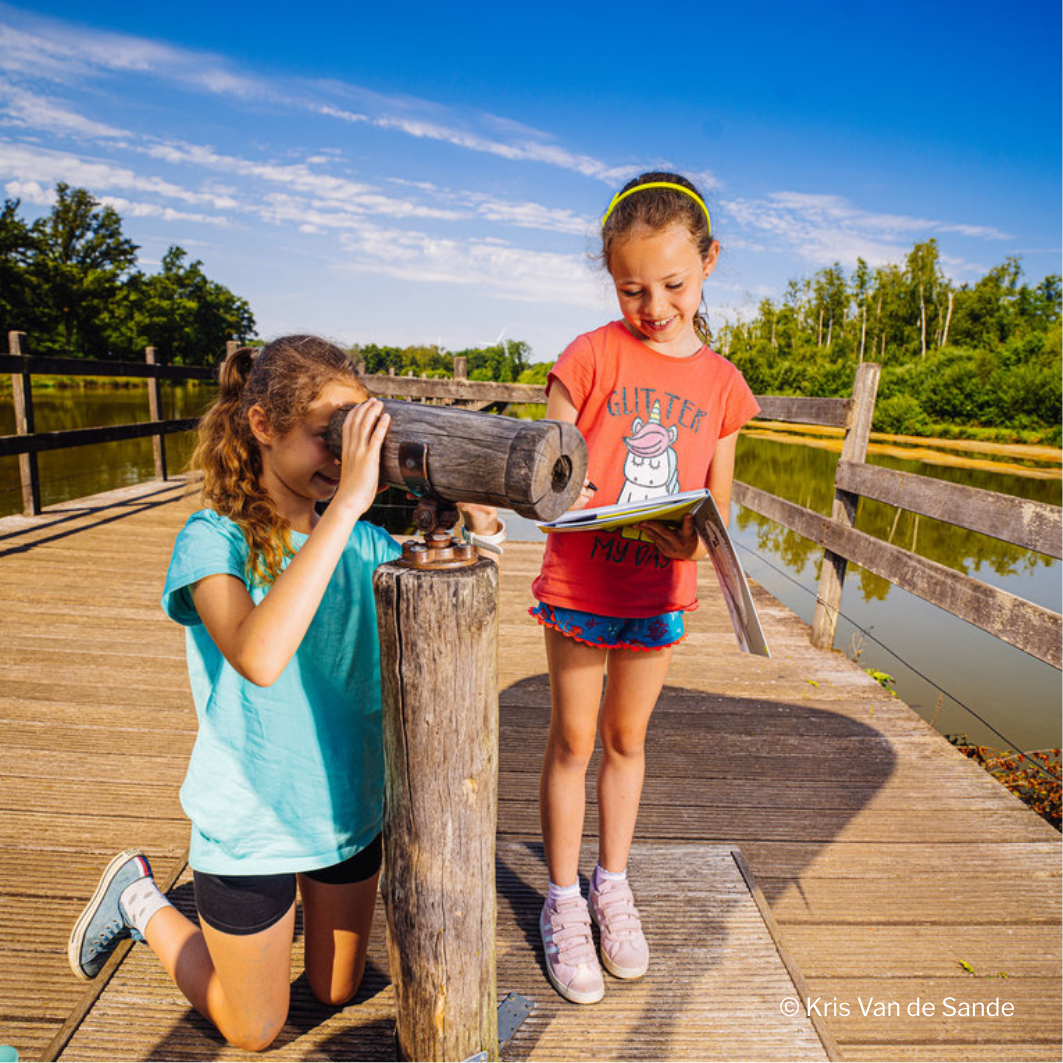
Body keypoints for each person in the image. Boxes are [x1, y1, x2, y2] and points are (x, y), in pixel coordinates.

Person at [67, 335, 503, 1051]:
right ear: (262, 424)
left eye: (355, 436)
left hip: (346, 807)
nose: (342, 455)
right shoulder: (214, 540)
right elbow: (258, 656)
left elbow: (457, 607)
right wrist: (351, 503)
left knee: (336, 989)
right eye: (328, 434)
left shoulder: (366, 546)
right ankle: (139, 899)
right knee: (255, 1029)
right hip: (252, 820)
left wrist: (479, 521)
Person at [530, 173, 760, 1005]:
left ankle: (611, 883)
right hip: (580, 581)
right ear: (609, 276)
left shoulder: (723, 383)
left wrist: (690, 536)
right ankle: (562, 899)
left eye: (673, 285)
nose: (654, 306)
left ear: (708, 262)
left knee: (626, 739)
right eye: (632, 290)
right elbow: (546, 471)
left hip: (658, 591)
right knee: (572, 739)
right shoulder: (588, 356)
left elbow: (717, 504)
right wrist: (574, 492)